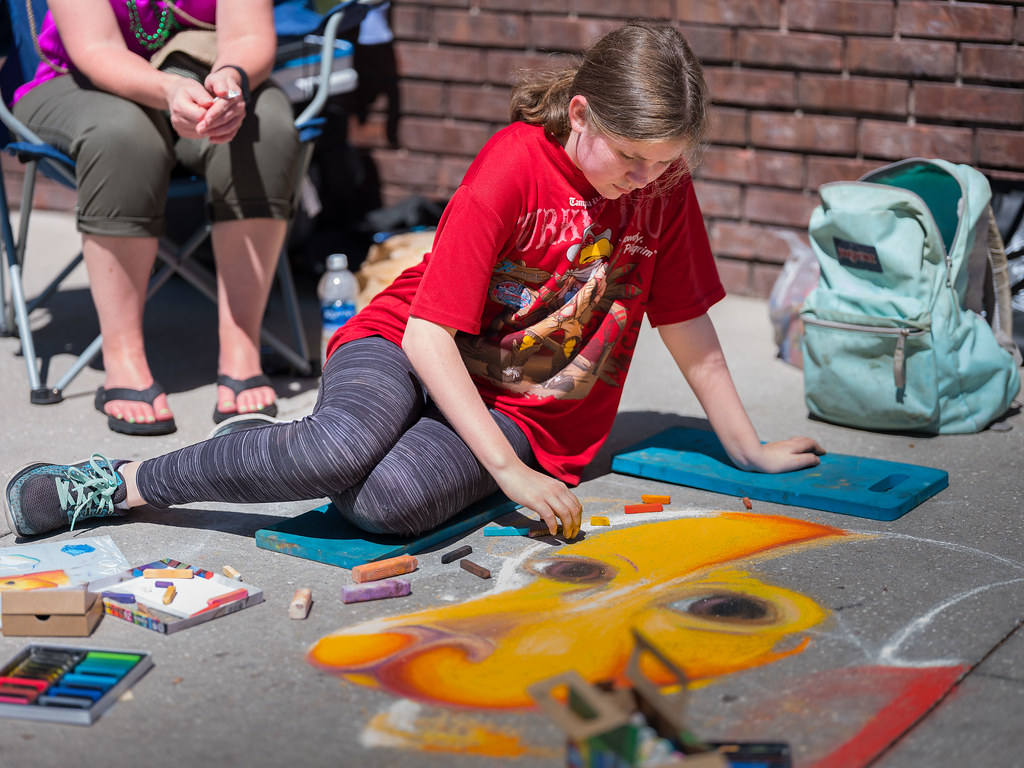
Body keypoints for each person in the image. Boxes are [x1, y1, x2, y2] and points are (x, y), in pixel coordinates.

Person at [4, 21, 825, 540]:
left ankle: (279, 450)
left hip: (520, 412)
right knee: (336, 449)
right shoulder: (512, 167)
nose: (646, 179)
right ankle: (117, 485)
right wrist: (508, 475)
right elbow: (429, 334)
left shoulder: (662, 189)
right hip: (408, 342)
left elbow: (686, 320)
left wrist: (746, 448)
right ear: (580, 113)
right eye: (633, 157)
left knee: (385, 504)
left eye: (665, 163)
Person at [11, 0, 301, 435]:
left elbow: (249, 35)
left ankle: (242, 347)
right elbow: (96, 47)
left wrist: (230, 80)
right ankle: (123, 356)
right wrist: (168, 91)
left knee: (267, 129)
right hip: (75, 81)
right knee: (123, 135)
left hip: (197, 71)